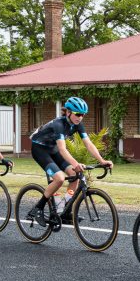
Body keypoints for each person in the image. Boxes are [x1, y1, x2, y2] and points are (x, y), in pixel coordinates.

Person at [27, 97, 112, 226]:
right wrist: (76, 164)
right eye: (78, 114)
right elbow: (62, 149)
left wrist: (102, 160)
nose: (80, 117)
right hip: (40, 149)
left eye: (83, 114)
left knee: (74, 175)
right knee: (59, 178)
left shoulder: (78, 125)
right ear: (68, 112)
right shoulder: (58, 124)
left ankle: (65, 211)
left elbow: (88, 144)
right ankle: (37, 208)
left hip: (53, 149)